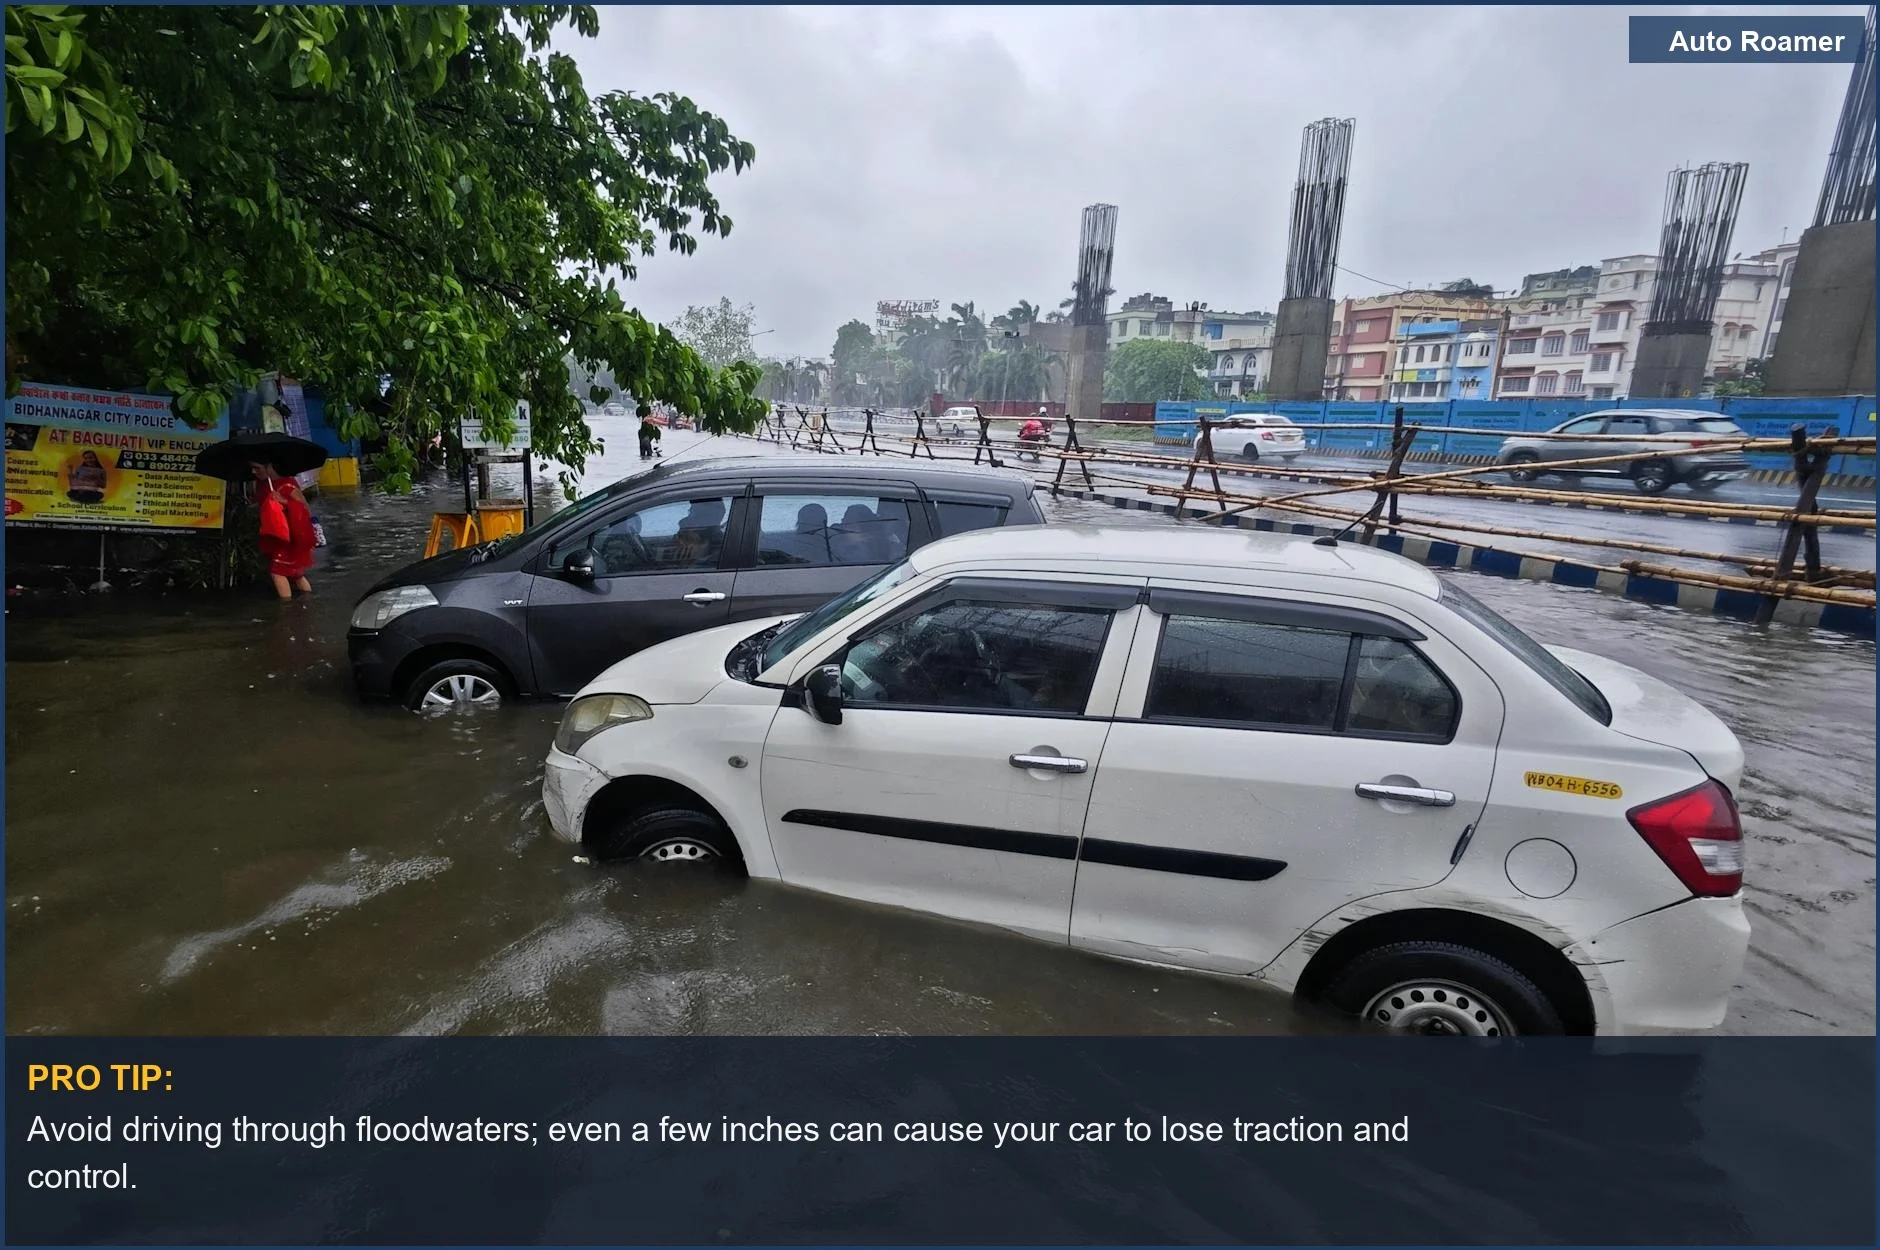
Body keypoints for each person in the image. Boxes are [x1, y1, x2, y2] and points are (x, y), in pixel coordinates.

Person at [251, 461, 317, 600]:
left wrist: (284, 502)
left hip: (290, 538)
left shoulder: (288, 484)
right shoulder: (262, 485)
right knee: (297, 574)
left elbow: (304, 508)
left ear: (269, 467)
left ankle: (287, 607)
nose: (253, 472)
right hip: (276, 535)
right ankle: (308, 601)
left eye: (257, 468)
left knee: (278, 573)